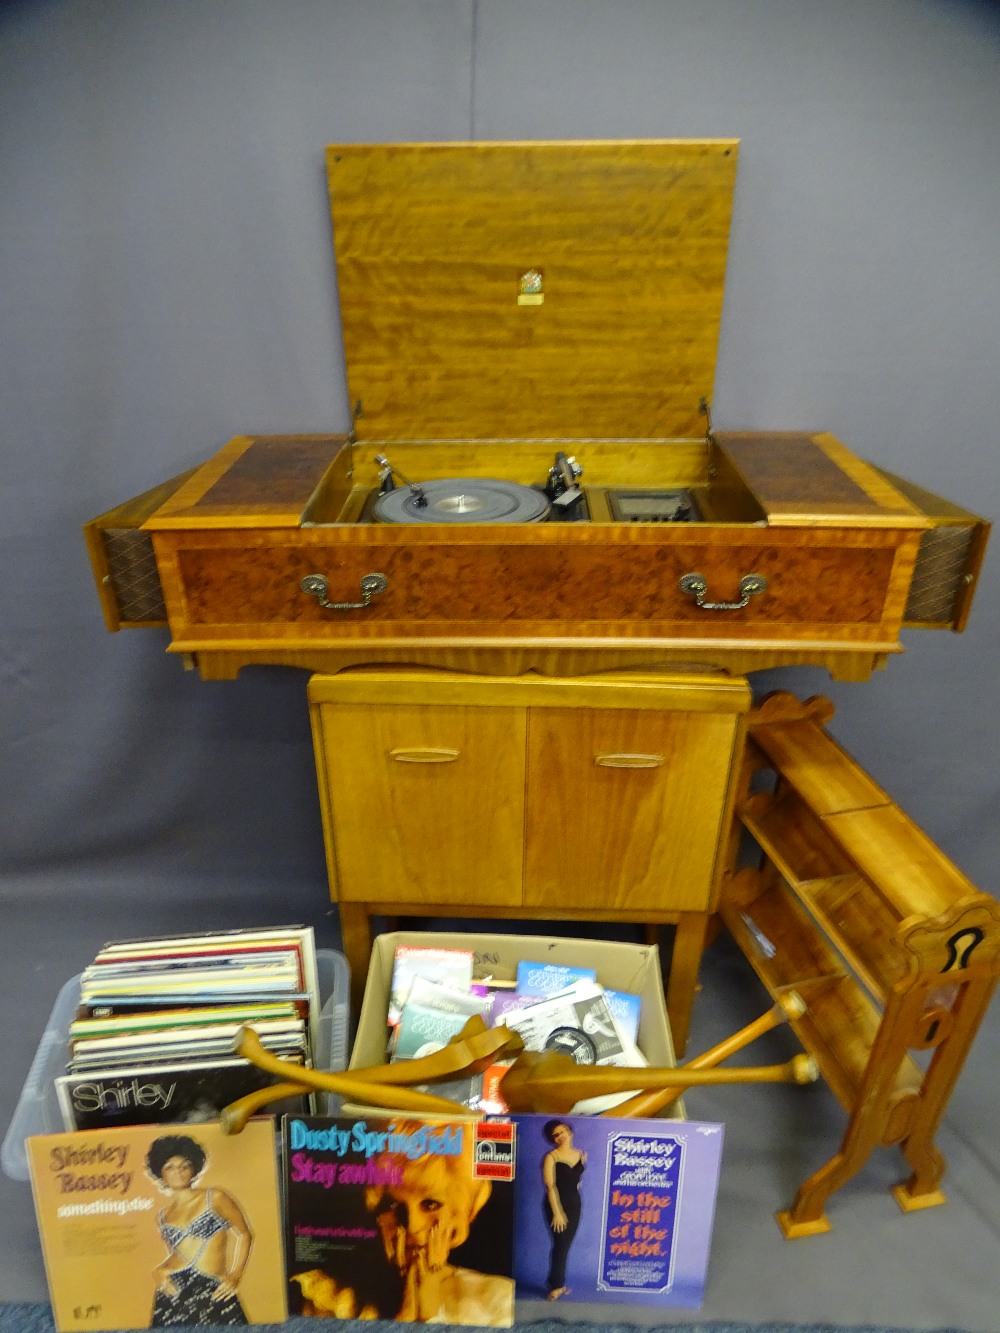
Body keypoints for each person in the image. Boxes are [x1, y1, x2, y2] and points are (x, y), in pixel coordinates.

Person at [292, 1121, 514, 1326]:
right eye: (393, 1206)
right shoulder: (328, 1295)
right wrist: (405, 1309)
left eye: (430, 1204)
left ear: (460, 1212)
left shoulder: (497, 1297)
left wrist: (430, 1311)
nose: (413, 1226)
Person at [145, 1133, 253, 1327]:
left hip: (214, 1288)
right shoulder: (162, 1217)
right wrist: (158, 1272)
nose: (178, 1171)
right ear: (161, 1174)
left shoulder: (215, 1197)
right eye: (170, 1167)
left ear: (193, 1169)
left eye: (184, 1165)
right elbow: (179, 1255)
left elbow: (245, 1234)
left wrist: (236, 1275)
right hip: (174, 1292)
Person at [541, 1119, 585, 1300]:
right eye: (555, 1135)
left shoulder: (580, 1154)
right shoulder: (551, 1157)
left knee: (565, 1246)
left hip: (575, 1204)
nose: (560, 1136)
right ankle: (556, 1286)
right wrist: (557, 1212)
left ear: (570, 1132)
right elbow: (550, 1186)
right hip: (556, 1204)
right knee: (560, 1245)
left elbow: (575, 1178)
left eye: (562, 1132)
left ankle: (558, 1282)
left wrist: (576, 1182)